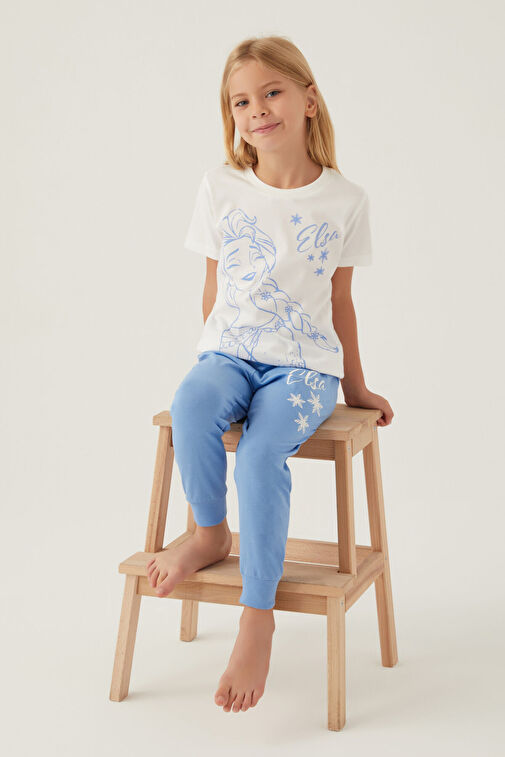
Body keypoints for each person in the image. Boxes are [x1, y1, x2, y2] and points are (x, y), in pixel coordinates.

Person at [147, 35, 394, 715]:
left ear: (309, 100)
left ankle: (257, 614)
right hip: (228, 354)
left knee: (259, 456)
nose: (256, 109)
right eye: (241, 101)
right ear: (230, 116)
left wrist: (355, 388)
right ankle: (209, 532)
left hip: (305, 369)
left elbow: (340, 302)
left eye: (272, 92)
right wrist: (214, 358)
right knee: (191, 404)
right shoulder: (220, 186)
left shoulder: (345, 200)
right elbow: (212, 286)